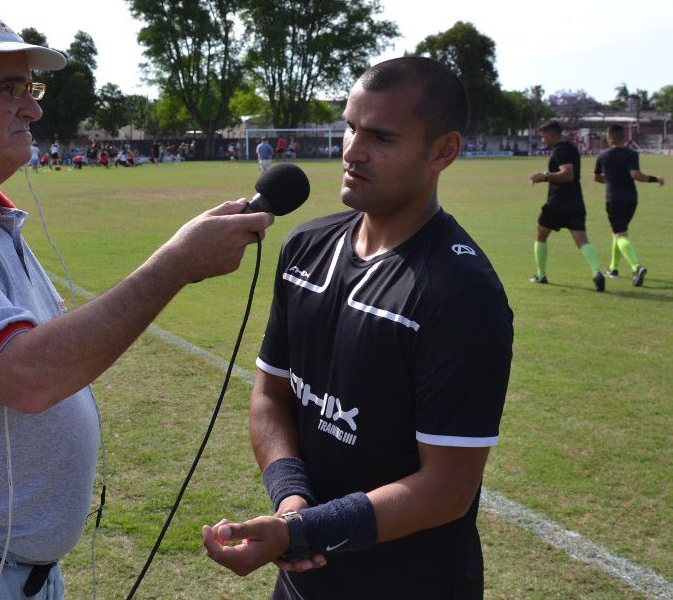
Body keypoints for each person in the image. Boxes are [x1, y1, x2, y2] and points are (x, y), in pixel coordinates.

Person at [0, 13, 273, 600]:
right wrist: (176, 265)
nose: (33, 109)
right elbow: (30, 375)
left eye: (31, 88)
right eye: (9, 89)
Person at [202, 56, 513, 599]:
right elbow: (272, 395)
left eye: (381, 137)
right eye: (349, 127)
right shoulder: (304, 247)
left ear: (443, 151)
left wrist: (303, 531)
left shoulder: (461, 292)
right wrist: (292, 500)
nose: (352, 150)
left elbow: (446, 488)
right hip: (301, 581)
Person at [528, 120, 605, 291]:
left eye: (543, 136)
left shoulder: (560, 150)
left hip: (558, 202)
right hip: (576, 202)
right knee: (582, 241)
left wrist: (544, 176)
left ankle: (541, 275)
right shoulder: (571, 148)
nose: (542, 140)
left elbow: (567, 174)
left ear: (551, 133)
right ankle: (596, 272)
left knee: (541, 235)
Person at [594, 124, 664, 287]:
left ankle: (636, 267)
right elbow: (636, 175)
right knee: (618, 232)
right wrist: (655, 179)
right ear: (623, 137)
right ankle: (613, 268)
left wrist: (610, 180)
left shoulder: (603, 155)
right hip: (631, 199)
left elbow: (596, 177)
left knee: (620, 234)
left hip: (614, 199)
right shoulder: (632, 154)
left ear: (609, 138)